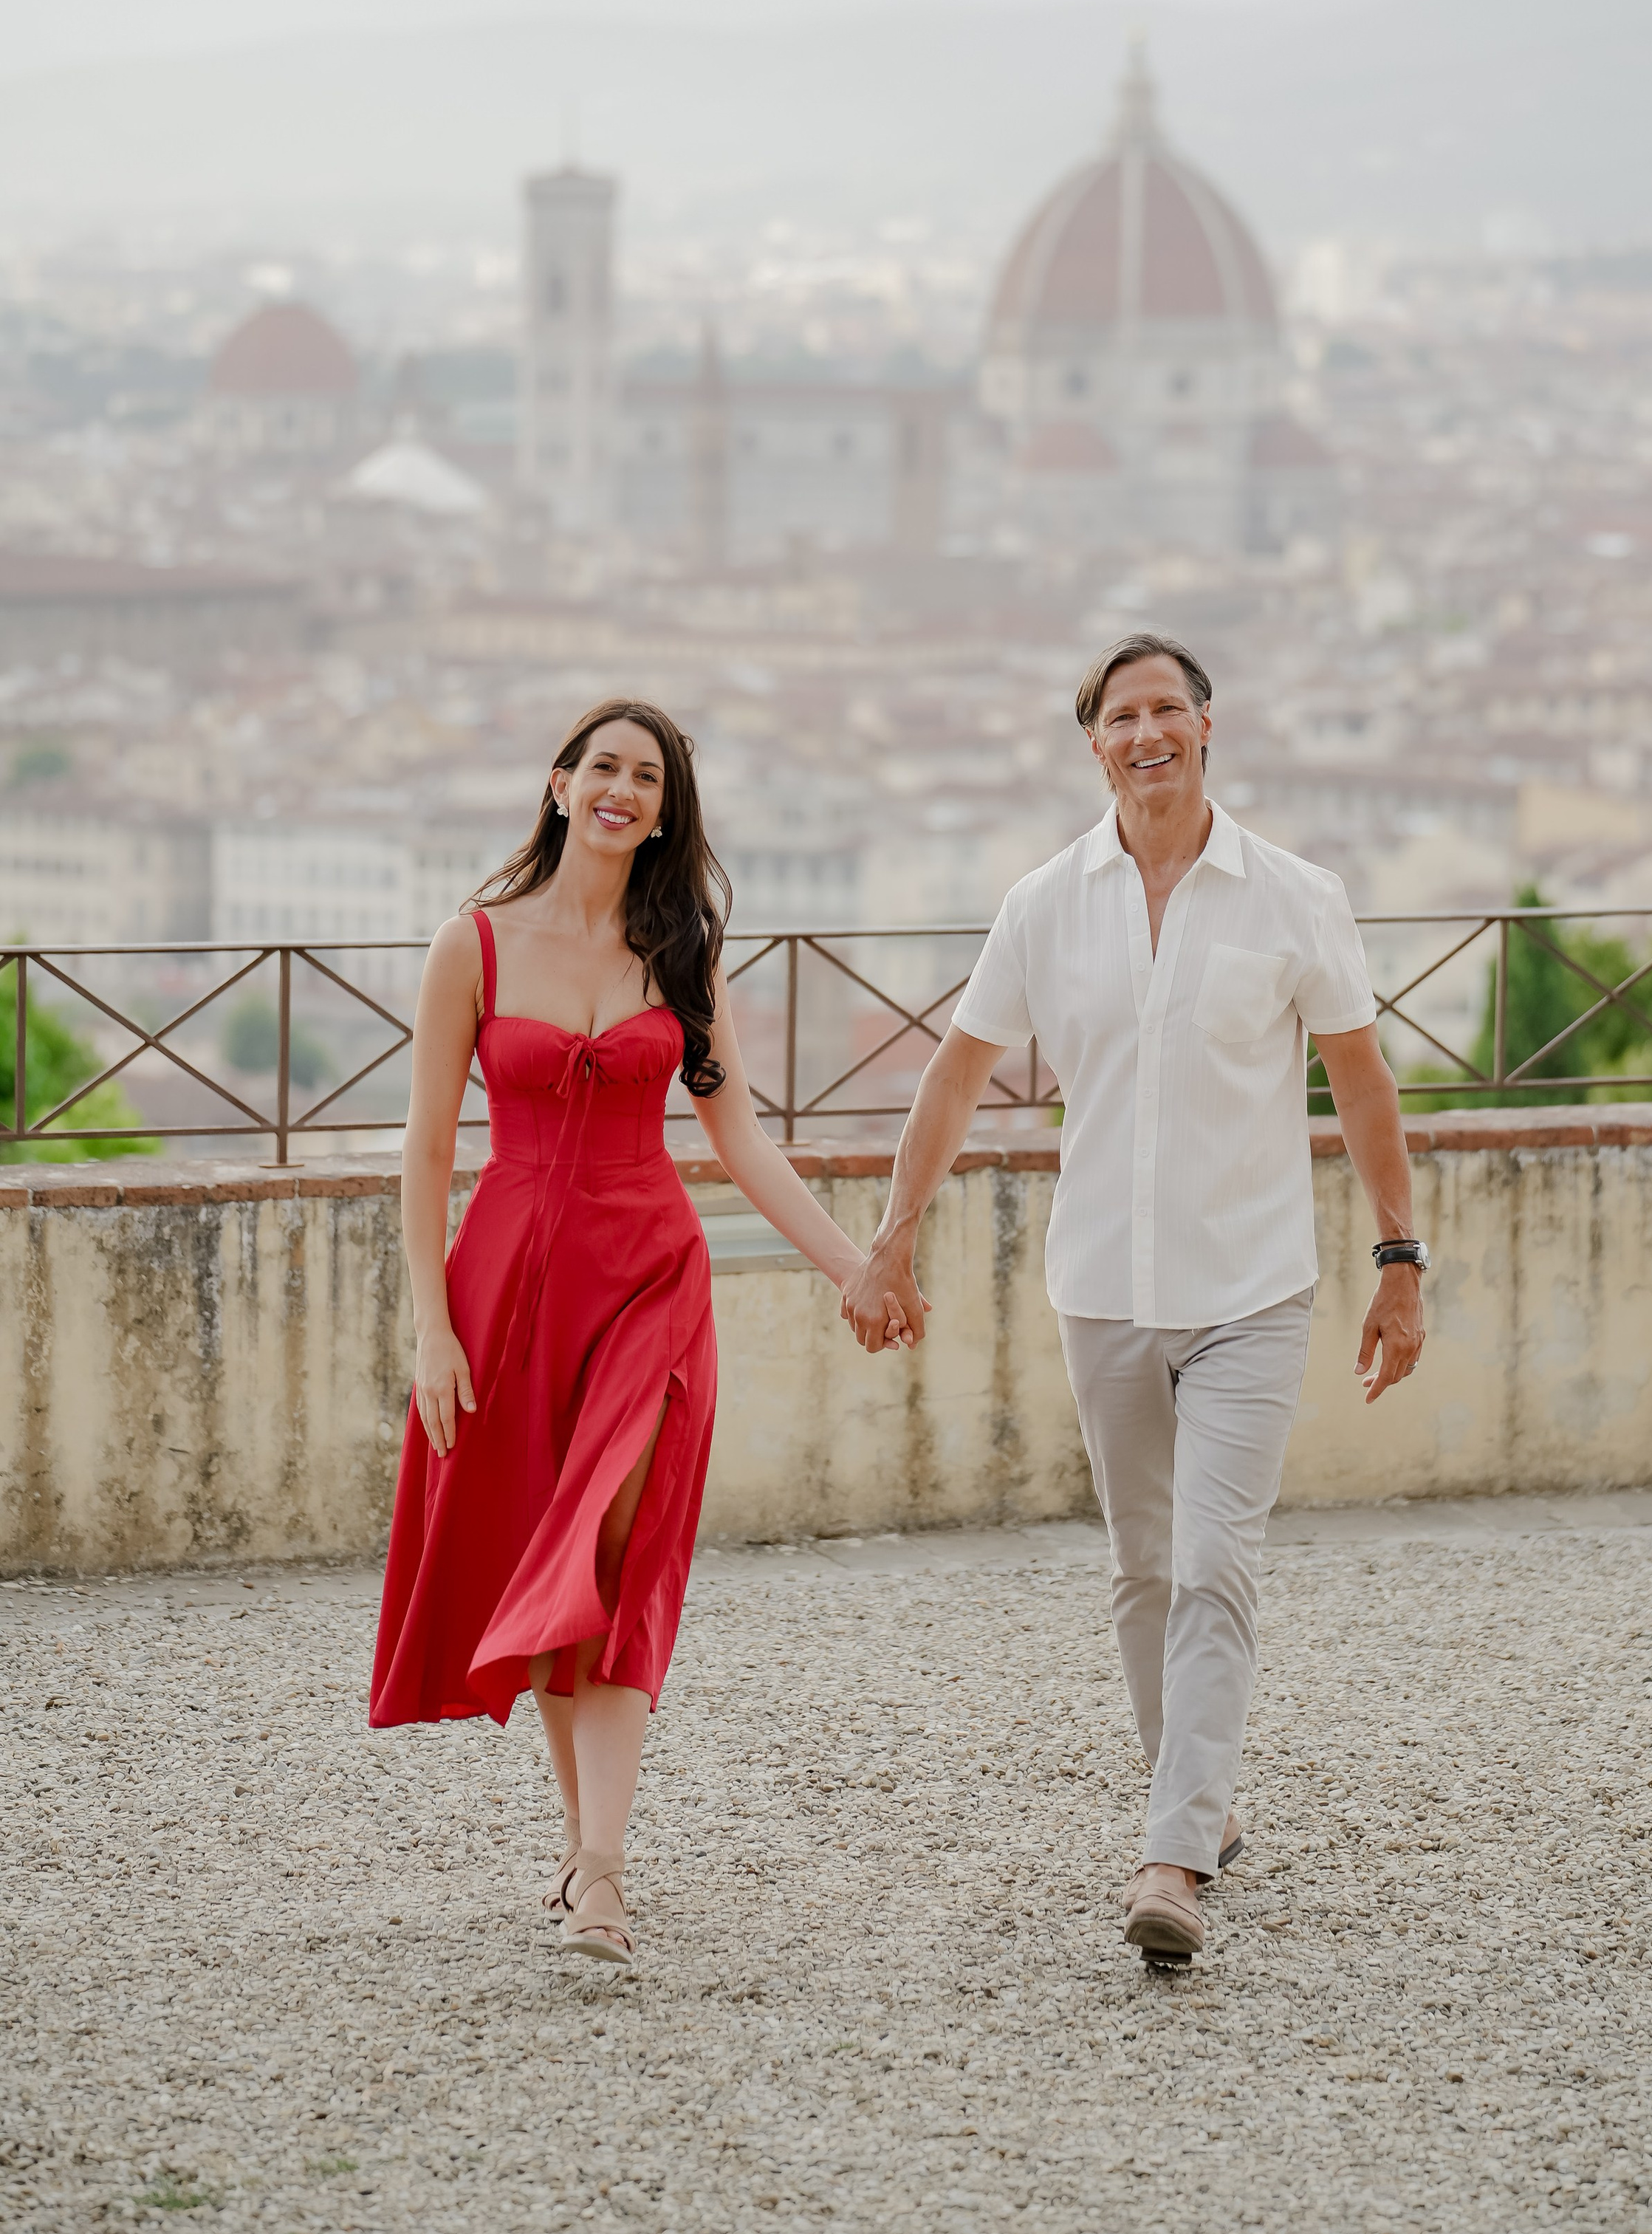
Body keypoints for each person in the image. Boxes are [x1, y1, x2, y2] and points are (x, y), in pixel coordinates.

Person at [841, 634, 1425, 1965]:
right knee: (1139, 1572)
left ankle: (1171, 1855)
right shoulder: (1045, 902)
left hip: (1251, 1289)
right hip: (1101, 1286)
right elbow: (956, 1074)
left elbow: (1364, 1081)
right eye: (1122, 715)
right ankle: (1200, 1807)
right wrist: (892, 1237)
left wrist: (1402, 1260)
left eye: (1169, 708)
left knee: (1217, 1565)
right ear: (1093, 743)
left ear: (1212, 726)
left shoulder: (1294, 895)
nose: (1147, 731)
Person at [371, 696, 872, 1967]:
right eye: (604, 767)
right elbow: (427, 1151)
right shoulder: (469, 944)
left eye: (648, 777)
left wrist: (854, 1268)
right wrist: (431, 1329)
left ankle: (602, 1877)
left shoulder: (682, 954)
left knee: (613, 1536)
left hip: (649, 1278)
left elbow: (739, 1137)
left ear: (664, 808)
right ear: (558, 785)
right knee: (557, 1569)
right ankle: (587, 1853)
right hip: (507, 1292)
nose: (624, 790)